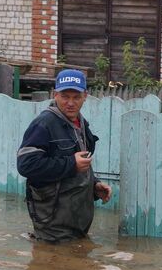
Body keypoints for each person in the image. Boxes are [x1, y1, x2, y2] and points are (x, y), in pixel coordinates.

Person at [17, 69, 112, 243]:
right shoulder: (44, 124)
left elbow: (81, 162)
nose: (70, 103)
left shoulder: (81, 124)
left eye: (76, 97)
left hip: (76, 220)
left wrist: (94, 185)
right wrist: (71, 164)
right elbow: (26, 165)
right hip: (53, 223)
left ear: (85, 96)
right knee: (51, 264)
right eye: (65, 96)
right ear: (55, 95)